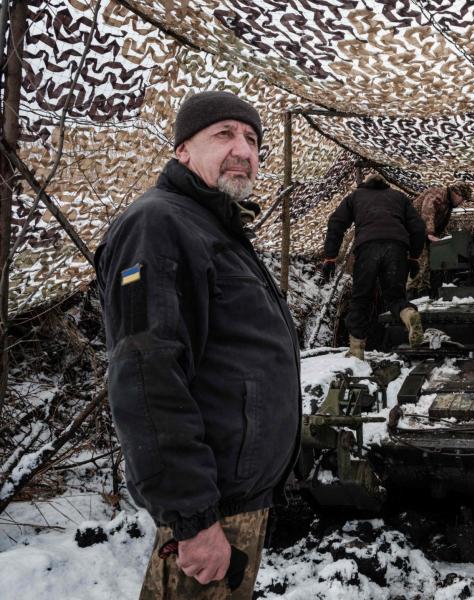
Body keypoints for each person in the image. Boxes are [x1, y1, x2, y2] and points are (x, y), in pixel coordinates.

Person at [95, 90, 301, 599]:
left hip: (236, 496)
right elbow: (146, 375)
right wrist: (192, 520)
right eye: (224, 134)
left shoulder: (216, 226)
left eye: (252, 139)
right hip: (211, 507)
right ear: (182, 150)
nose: (243, 149)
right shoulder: (159, 225)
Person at [322, 173, 427, 360]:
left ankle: (356, 350)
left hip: (367, 249)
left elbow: (336, 223)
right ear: (385, 184)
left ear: (366, 184)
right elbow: (418, 228)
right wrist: (413, 258)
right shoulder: (399, 197)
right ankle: (409, 313)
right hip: (396, 248)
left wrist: (330, 257)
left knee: (361, 298)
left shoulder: (355, 197)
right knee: (395, 296)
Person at [407, 181, 472, 296]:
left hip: (422, 233)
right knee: (420, 263)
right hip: (416, 232)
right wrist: (430, 232)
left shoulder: (448, 203)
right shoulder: (438, 194)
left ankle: (423, 293)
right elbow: (428, 211)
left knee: (427, 264)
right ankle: (411, 294)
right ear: (457, 193)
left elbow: (440, 221)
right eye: (463, 198)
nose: (462, 202)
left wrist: (440, 236)